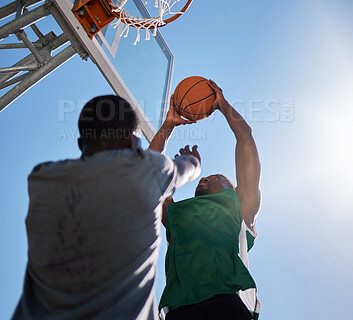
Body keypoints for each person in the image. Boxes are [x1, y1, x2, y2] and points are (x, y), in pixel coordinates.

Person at [12, 95, 201, 320]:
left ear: (81, 144)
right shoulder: (147, 171)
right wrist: (194, 159)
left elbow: (136, 168)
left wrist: (166, 127)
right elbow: (188, 167)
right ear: (129, 142)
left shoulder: (42, 179)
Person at [158, 80, 262, 320]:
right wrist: (168, 125)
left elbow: (245, 137)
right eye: (202, 178)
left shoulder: (239, 208)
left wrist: (221, 104)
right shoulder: (176, 214)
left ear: (232, 189)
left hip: (225, 304)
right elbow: (151, 174)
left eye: (214, 178)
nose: (204, 179)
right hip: (178, 311)